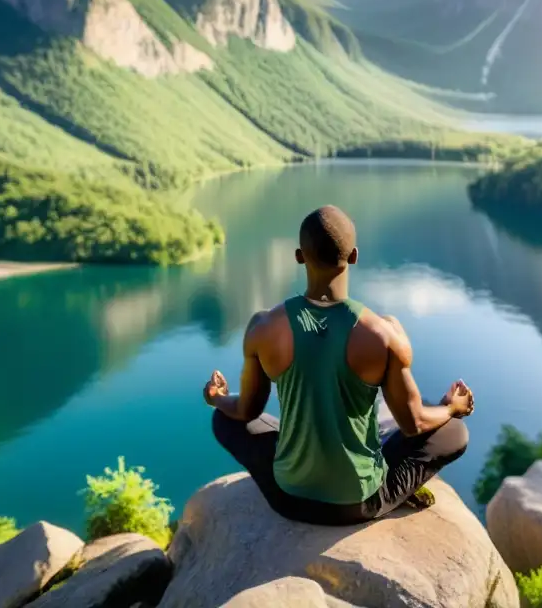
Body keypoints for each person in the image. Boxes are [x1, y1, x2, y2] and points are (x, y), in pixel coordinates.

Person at [203, 204, 474, 526]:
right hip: (359, 503)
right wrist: (450, 408)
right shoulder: (384, 334)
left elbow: (246, 411)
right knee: (454, 432)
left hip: (287, 498)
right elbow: (413, 423)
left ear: (299, 256)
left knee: (225, 420)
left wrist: (217, 398)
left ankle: (297, 467)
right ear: (355, 256)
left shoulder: (263, 327)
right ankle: (396, 492)